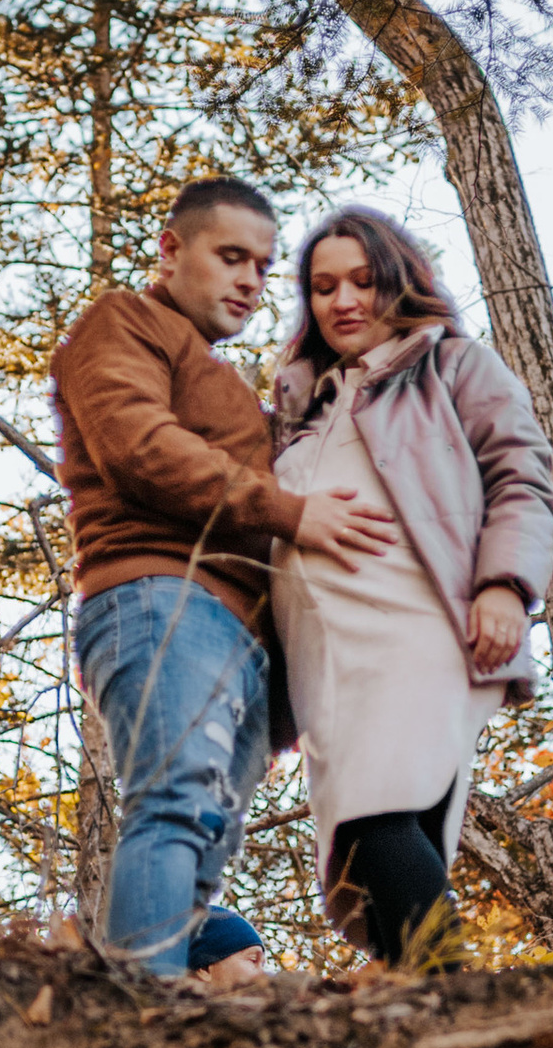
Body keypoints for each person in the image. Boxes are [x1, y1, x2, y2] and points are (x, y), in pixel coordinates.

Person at [53, 178, 392, 976]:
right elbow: (138, 444)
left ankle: (161, 1019)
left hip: (241, 640)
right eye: (231, 256)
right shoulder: (125, 321)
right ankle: (141, 1025)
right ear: (171, 251)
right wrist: (291, 510)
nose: (249, 280)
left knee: (204, 840)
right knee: (173, 805)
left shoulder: (231, 389)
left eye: (265, 267)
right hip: (161, 598)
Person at [270, 205, 553, 969]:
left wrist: (504, 586)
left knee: (379, 811)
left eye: (363, 281)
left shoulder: (455, 365)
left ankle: (450, 991)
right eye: (324, 287)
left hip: (415, 627)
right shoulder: (302, 407)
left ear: (400, 283)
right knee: (377, 843)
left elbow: (522, 477)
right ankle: (427, 1010)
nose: (343, 301)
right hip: (324, 662)